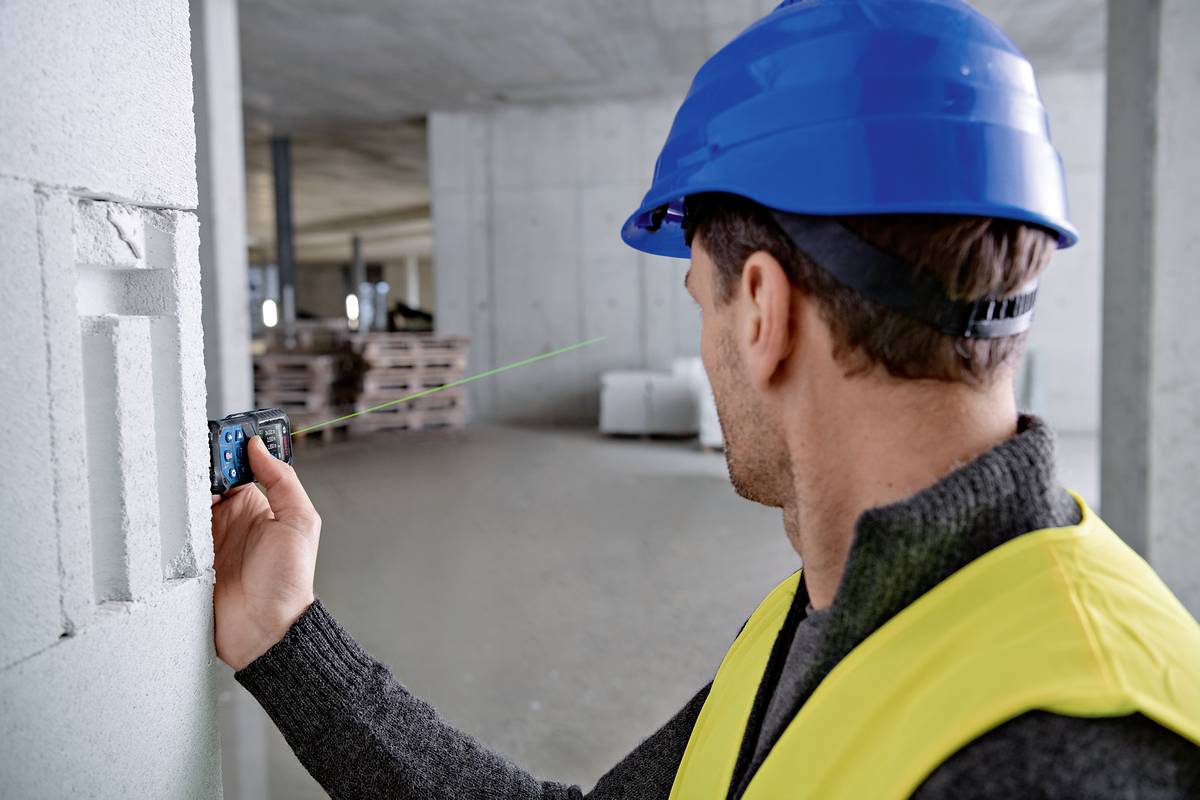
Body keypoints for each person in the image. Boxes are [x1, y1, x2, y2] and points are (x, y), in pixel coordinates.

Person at [211, 1, 1200, 797]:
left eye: (701, 299)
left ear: (762, 308)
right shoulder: (826, 614)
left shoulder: (1070, 758)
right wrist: (283, 635)